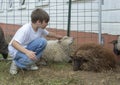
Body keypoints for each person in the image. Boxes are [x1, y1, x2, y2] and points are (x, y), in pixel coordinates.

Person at [8, 8, 63, 75]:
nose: (47, 24)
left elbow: (49, 34)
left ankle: (30, 62)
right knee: (29, 60)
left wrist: (60, 37)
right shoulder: (25, 29)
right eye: (46, 22)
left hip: (26, 47)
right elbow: (14, 43)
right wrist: (27, 52)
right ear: (38, 22)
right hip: (16, 51)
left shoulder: (39, 28)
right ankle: (15, 63)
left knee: (43, 41)